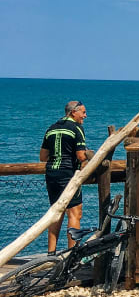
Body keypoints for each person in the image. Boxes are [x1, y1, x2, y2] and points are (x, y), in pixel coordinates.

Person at [39, 100, 88, 253]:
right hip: (68, 175)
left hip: (52, 174)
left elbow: (43, 156)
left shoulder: (51, 128)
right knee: (74, 213)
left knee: (56, 212)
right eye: (83, 112)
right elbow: (81, 156)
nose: (85, 116)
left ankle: (51, 253)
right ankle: (72, 254)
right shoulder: (76, 128)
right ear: (74, 112)